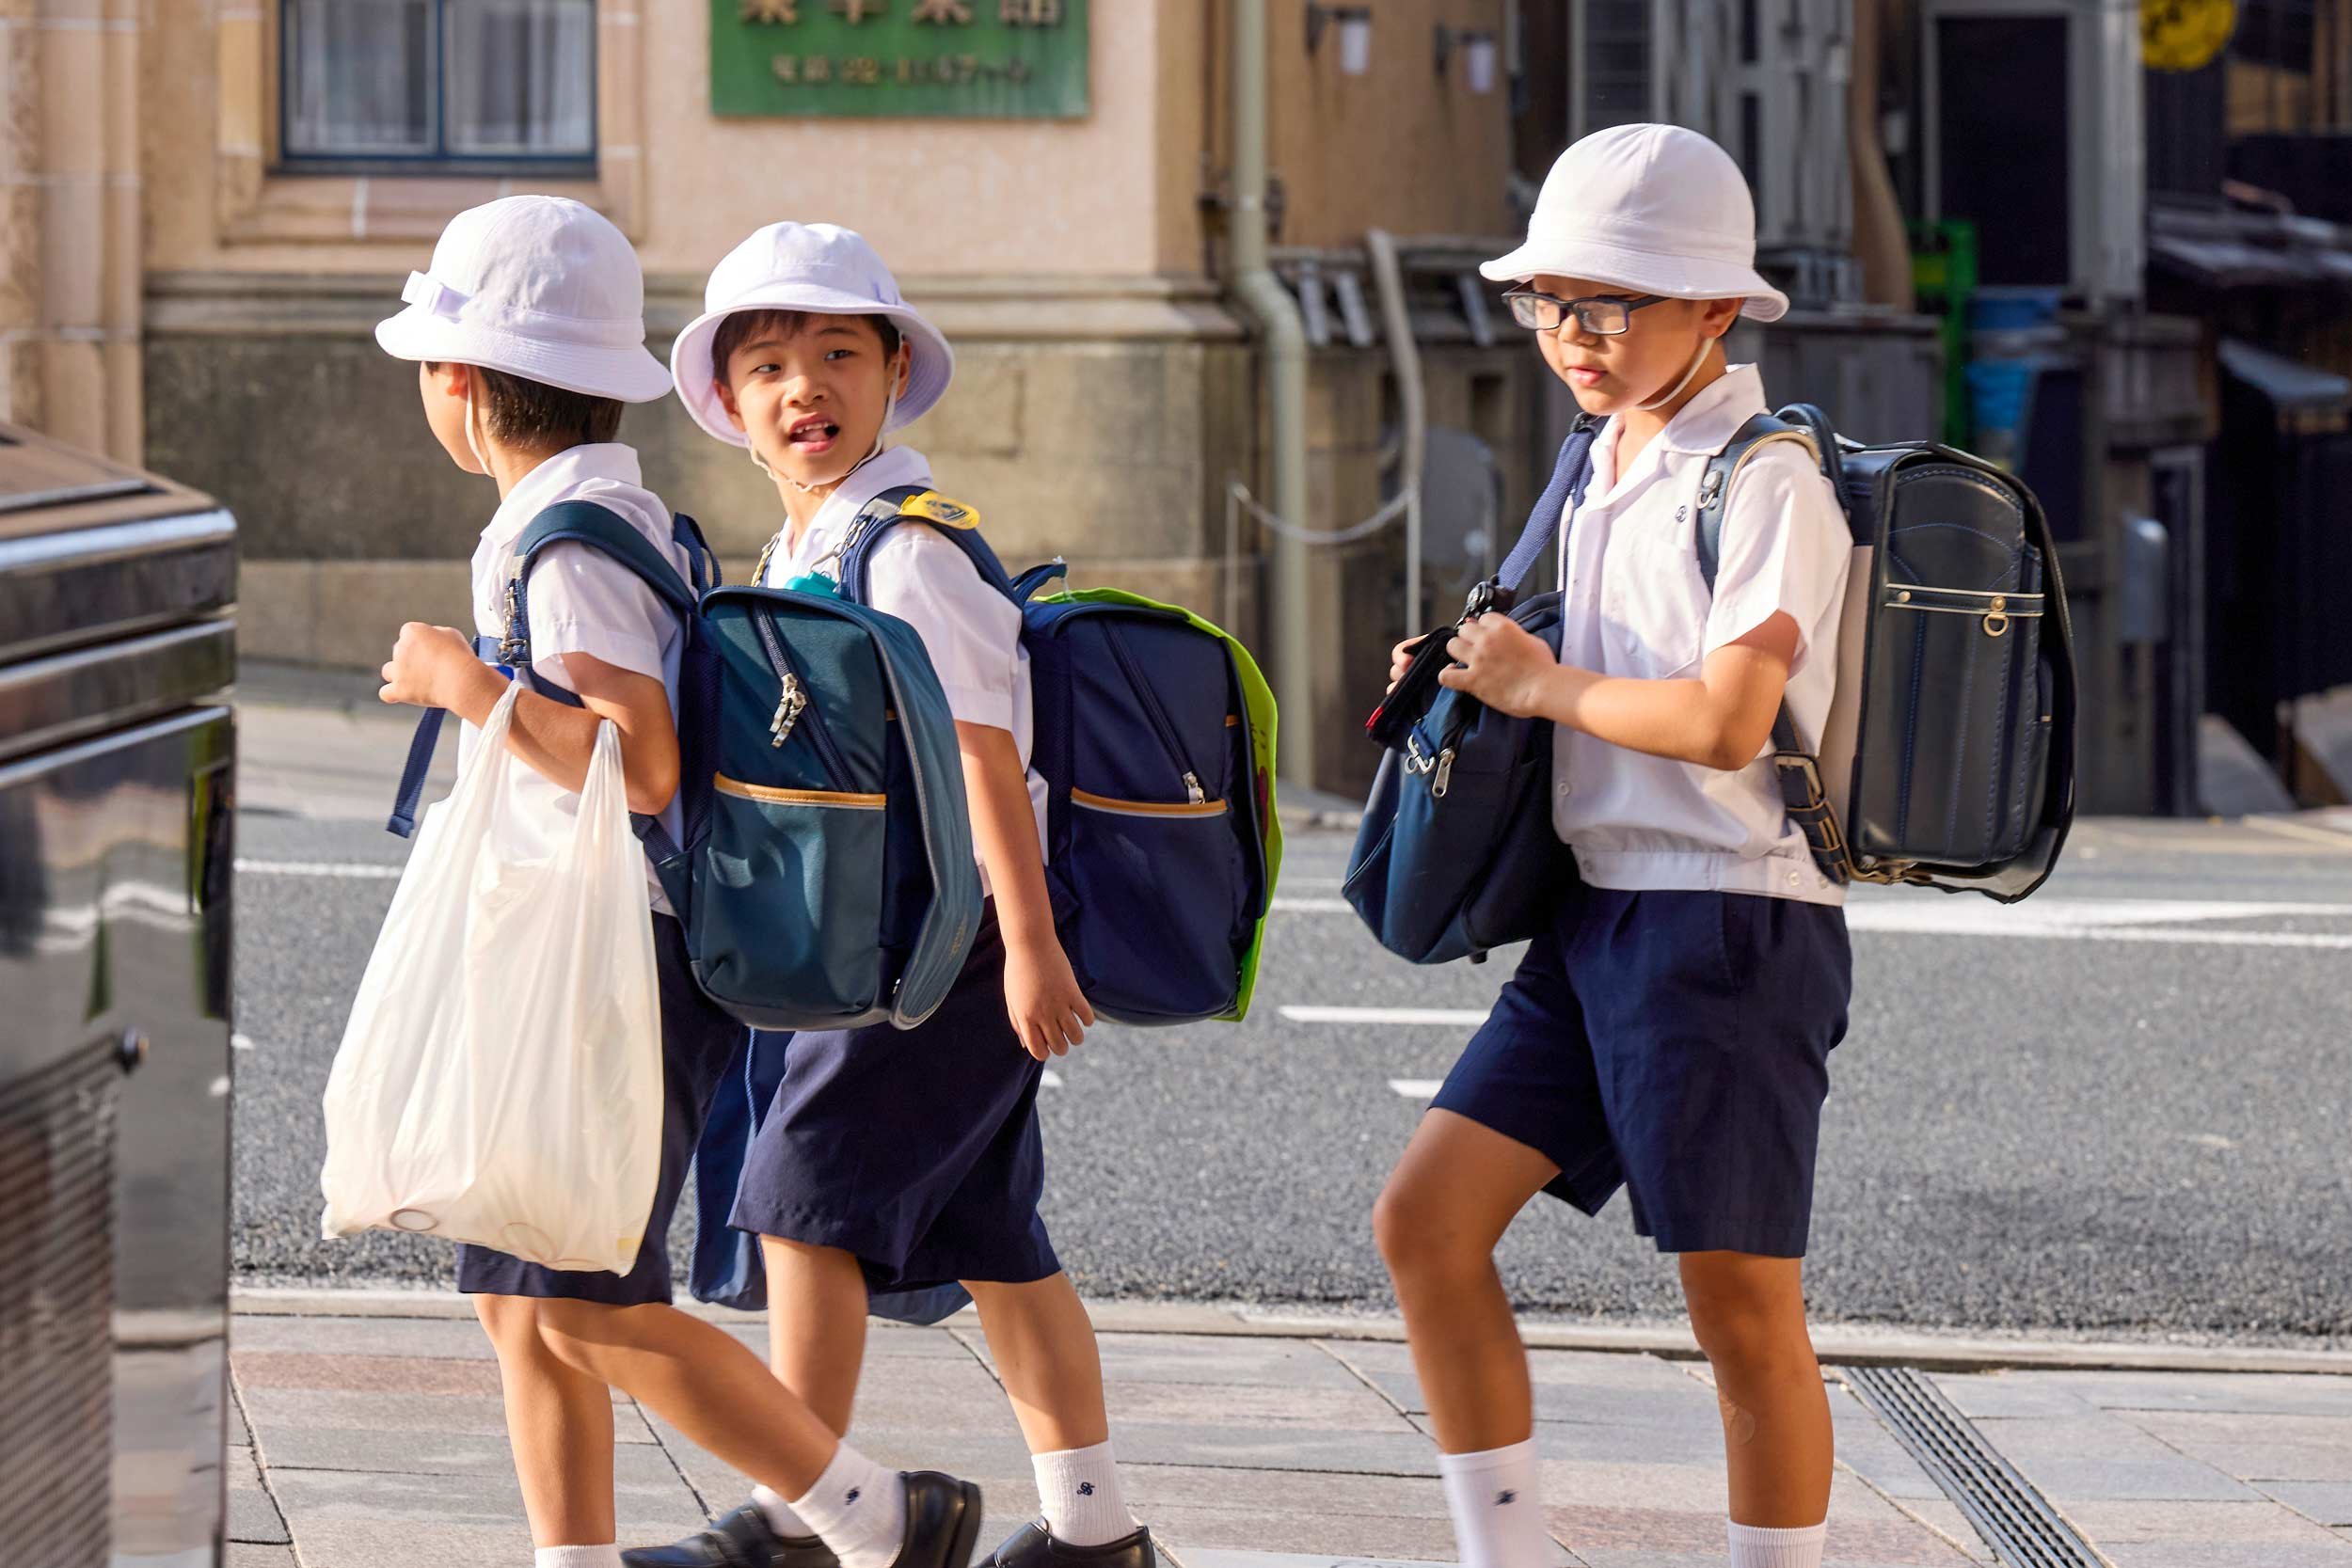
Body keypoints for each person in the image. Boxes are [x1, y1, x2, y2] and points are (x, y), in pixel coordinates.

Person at [371, 195, 983, 1568]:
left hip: (612, 967)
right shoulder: (584, 510)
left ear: (455, 386)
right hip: (577, 953)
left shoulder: (572, 542)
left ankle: (879, 1515)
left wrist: (459, 684)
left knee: (586, 1304)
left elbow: (634, 761)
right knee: (522, 1306)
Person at [627, 221, 1154, 1568]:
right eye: (769, 366)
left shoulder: (906, 550)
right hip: (879, 943)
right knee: (993, 1233)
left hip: (939, 946)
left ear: (895, 370)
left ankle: (804, 1512)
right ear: (730, 404)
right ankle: (1097, 1534)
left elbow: (989, 756)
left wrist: (1029, 947)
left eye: (837, 354)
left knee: (797, 1201)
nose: (805, 386)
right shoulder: (804, 544)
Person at [1370, 125, 1855, 1568]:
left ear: (1716, 310)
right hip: (1596, 914)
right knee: (1426, 1225)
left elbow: (1728, 718)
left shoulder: (1770, 479)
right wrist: (1473, 667)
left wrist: (1541, 685)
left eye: (1615, 304)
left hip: (1728, 921)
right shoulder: (1602, 452)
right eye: (1553, 303)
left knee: (1742, 1309)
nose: (1575, 336)